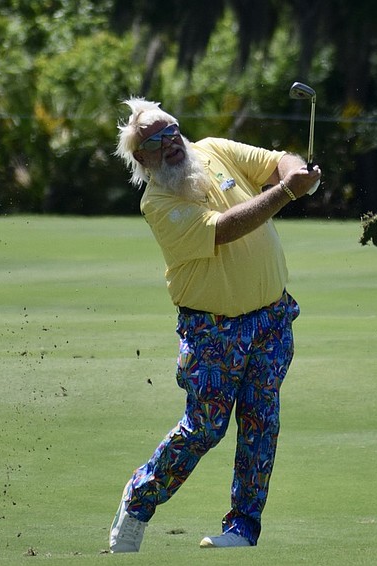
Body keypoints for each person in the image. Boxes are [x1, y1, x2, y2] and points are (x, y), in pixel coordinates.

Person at [109, 97, 322, 553]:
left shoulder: (212, 149)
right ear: (141, 157)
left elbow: (274, 161)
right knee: (205, 426)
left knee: (261, 420)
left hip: (271, 318)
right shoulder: (158, 202)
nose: (169, 143)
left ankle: (243, 525)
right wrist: (287, 192)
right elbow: (223, 228)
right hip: (213, 330)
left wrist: (294, 172)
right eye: (155, 140)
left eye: (171, 131)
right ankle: (139, 499)